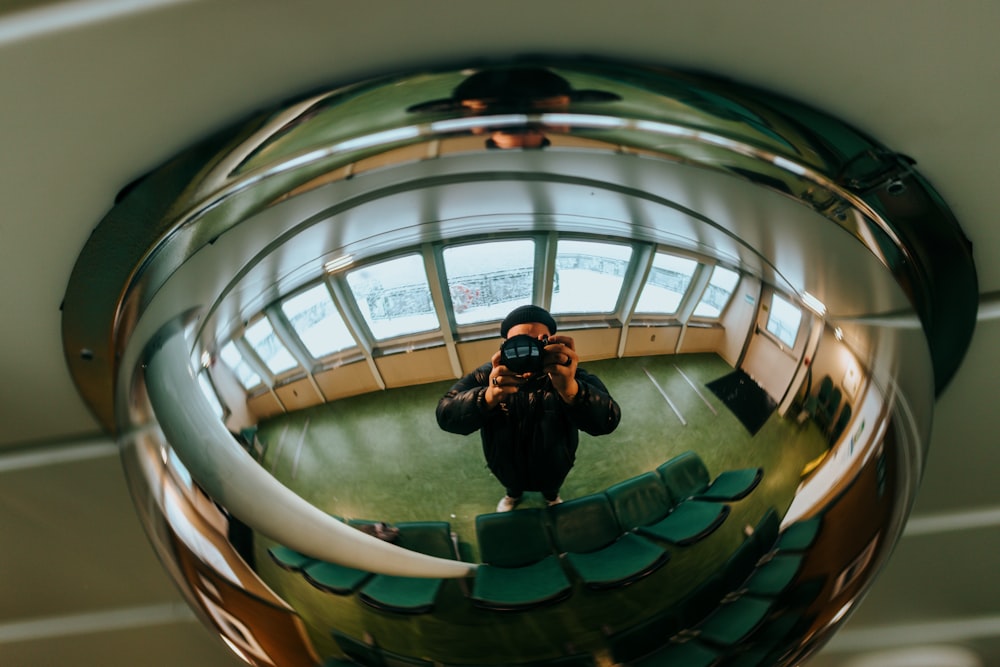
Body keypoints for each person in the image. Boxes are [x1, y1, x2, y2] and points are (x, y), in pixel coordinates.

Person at [436, 305, 621, 512]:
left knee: (552, 485)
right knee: (511, 484)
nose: (530, 350)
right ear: (504, 346)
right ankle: (512, 495)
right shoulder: (489, 375)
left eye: (540, 342)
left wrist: (572, 391)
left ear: (553, 344)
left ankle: (551, 497)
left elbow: (608, 420)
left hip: (554, 464)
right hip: (506, 462)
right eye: (520, 341)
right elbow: (445, 414)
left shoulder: (570, 376)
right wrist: (488, 396)